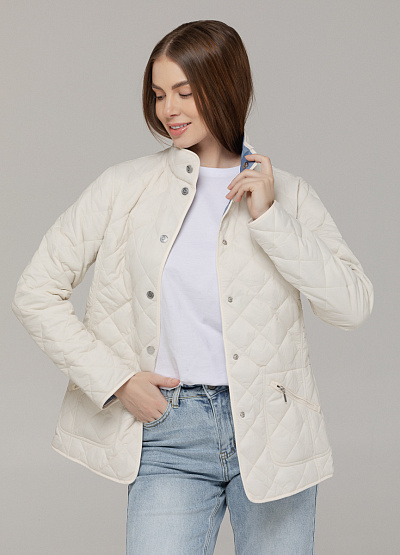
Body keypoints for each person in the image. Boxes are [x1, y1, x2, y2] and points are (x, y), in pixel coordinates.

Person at [12, 19, 374, 555]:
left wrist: (270, 218)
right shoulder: (124, 188)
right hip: (168, 433)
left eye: (184, 92)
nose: (169, 110)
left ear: (226, 85)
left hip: (273, 431)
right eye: (159, 94)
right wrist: (117, 380)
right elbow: (35, 291)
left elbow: (352, 305)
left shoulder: (289, 195)